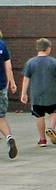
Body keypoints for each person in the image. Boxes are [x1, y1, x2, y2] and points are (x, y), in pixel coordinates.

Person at [20, 38, 56, 147]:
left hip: (36, 94)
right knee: (54, 112)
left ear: (37, 48)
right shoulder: (54, 62)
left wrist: (23, 93)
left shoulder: (30, 62)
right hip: (51, 93)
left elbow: (26, 79)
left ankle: (42, 139)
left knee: (39, 116)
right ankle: (51, 128)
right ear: (48, 48)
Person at [0, 30, 18, 158]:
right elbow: (8, 67)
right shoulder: (2, 45)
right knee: (1, 117)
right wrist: (12, 82)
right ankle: (9, 137)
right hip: (1, 86)